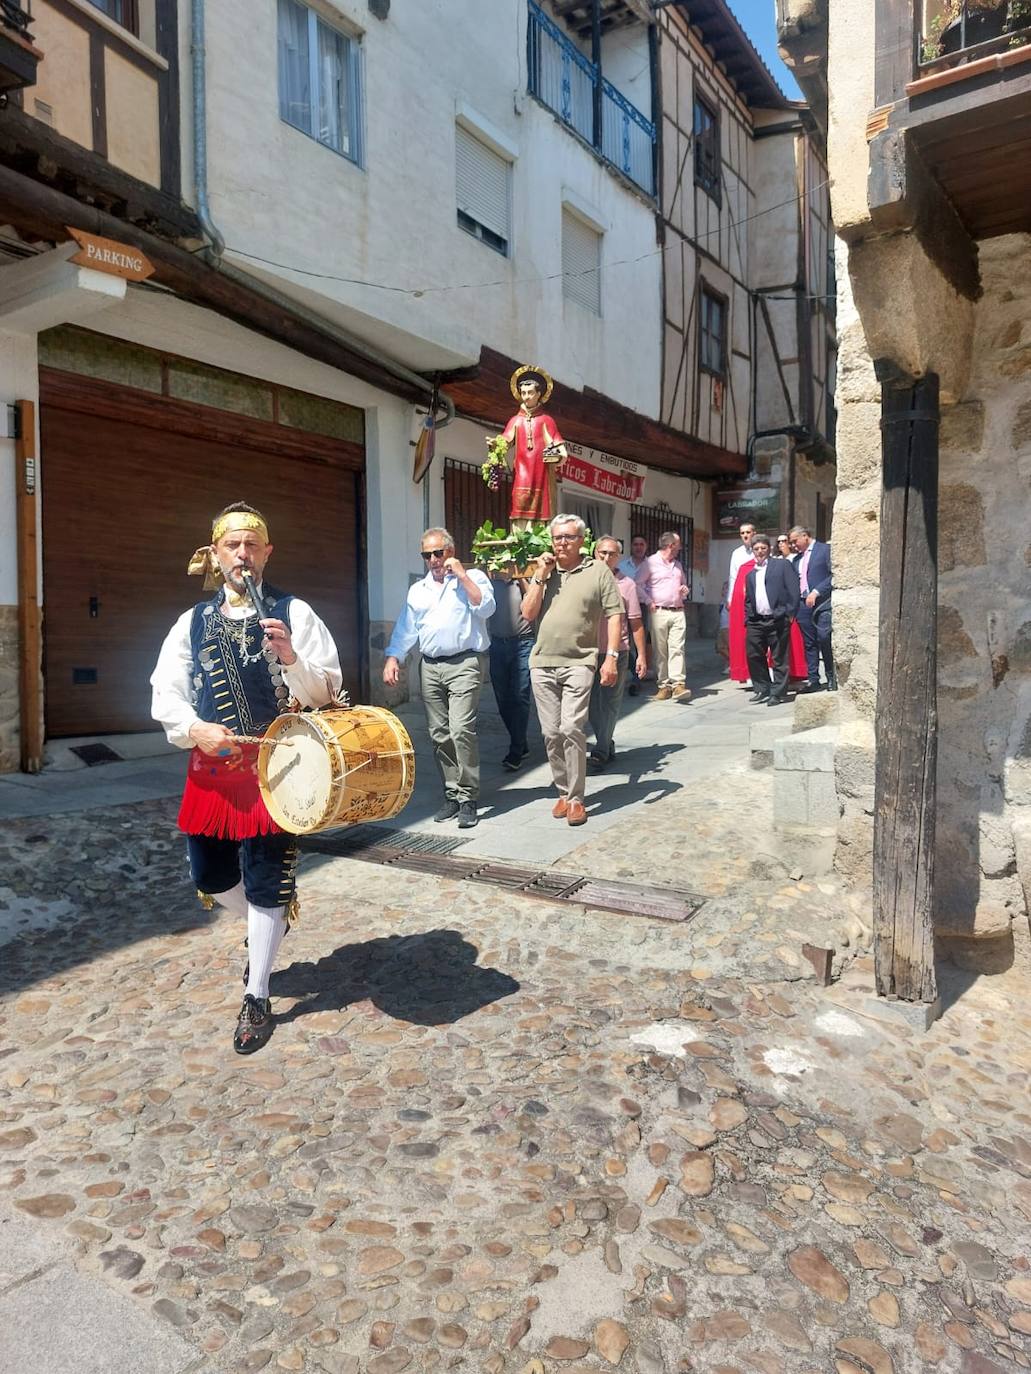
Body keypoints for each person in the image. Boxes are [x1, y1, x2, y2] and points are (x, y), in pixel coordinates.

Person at [151, 501, 343, 1055]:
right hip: (212, 769)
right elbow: (166, 690)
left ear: (267, 553)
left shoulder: (294, 611)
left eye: (252, 546)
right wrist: (193, 728)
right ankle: (271, 921)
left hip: (279, 769)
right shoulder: (191, 622)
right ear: (215, 554)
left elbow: (327, 692)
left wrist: (291, 658)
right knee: (210, 877)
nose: (242, 555)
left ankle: (257, 994)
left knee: (265, 880)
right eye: (232, 546)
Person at [383, 528, 494, 828]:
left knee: (460, 729)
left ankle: (468, 797)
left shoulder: (474, 578)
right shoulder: (418, 590)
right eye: (426, 555)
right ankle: (452, 793)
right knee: (439, 733)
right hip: (430, 666)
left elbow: (486, 607)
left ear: (451, 551)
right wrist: (393, 657)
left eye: (438, 553)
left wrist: (463, 575)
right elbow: (407, 628)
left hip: (465, 662)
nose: (433, 560)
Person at [521, 515, 623, 826]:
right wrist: (540, 574)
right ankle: (563, 792)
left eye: (568, 537)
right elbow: (527, 613)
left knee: (571, 728)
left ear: (582, 541)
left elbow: (615, 615)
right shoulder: (544, 570)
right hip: (542, 663)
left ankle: (577, 799)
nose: (562, 543)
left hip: (580, 661)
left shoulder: (598, 570)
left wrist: (611, 657)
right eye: (557, 537)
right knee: (551, 733)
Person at [588, 536, 647, 770]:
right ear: (594, 553)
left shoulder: (627, 584)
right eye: (602, 552)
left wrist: (641, 655)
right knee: (592, 704)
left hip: (617, 652)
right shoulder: (585, 579)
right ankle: (606, 741)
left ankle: (601, 750)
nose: (606, 558)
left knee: (610, 703)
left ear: (618, 557)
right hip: (588, 651)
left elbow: (636, 623)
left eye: (611, 554)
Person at [497, 365, 568, 526]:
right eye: (523, 393)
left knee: (543, 512)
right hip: (522, 474)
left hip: (541, 475)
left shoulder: (546, 420)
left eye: (530, 393)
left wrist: (556, 456)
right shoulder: (515, 420)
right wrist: (496, 447)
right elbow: (504, 442)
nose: (526, 397)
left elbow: (560, 448)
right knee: (519, 510)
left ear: (539, 394)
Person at [744, 534, 800, 706]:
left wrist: (790, 613)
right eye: (756, 549)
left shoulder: (782, 565)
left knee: (779, 658)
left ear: (769, 549)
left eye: (763, 548)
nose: (760, 551)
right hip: (756, 620)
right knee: (753, 654)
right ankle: (763, 688)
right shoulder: (750, 574)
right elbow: (748, 599)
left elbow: (793, 589)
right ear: (752, 551)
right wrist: (748, 617)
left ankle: (777, 692)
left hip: (778, 619)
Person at [487, 568, 535, 771]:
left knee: (520, 695)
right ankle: (520, 740)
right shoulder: (490, 580)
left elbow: (533, 604)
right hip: (497, 643)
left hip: (523, 642)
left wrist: (520, 577)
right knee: (502, 698)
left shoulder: (525, 578)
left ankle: (516, 751)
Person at [636, 530, 691, 702]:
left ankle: (678, 685)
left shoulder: (678, 565)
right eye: (678, 544)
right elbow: (637, 584)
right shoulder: (650, 563)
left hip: (678, 610)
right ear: (671, 545)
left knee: (677, 648)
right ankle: (663, 686)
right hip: (658, 611)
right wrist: (648, 601)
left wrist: (684, 590)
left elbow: (684, 585)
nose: (680, 548)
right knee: (660, 650)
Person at [789, 524, 835, 692]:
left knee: (824, 638)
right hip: (803, 605)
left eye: (795, 541)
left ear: (805, 536)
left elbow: (834, 575)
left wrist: (816, 592)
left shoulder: (825, 550)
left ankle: (831, 677)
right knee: (809, 643)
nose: (793, 545)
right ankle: (813, 680)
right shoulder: (796, 560)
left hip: (822, 603)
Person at [618, 535, 649, 695]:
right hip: (623, 606)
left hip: (643, 606)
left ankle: (637, 680)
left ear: (646, 546)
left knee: (640, 643)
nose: (638, 547)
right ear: (631, 546)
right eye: (636, 544)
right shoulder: (622, 565)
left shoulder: (651, 566)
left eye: (641, 544)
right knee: (623, 642)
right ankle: (632, 672)